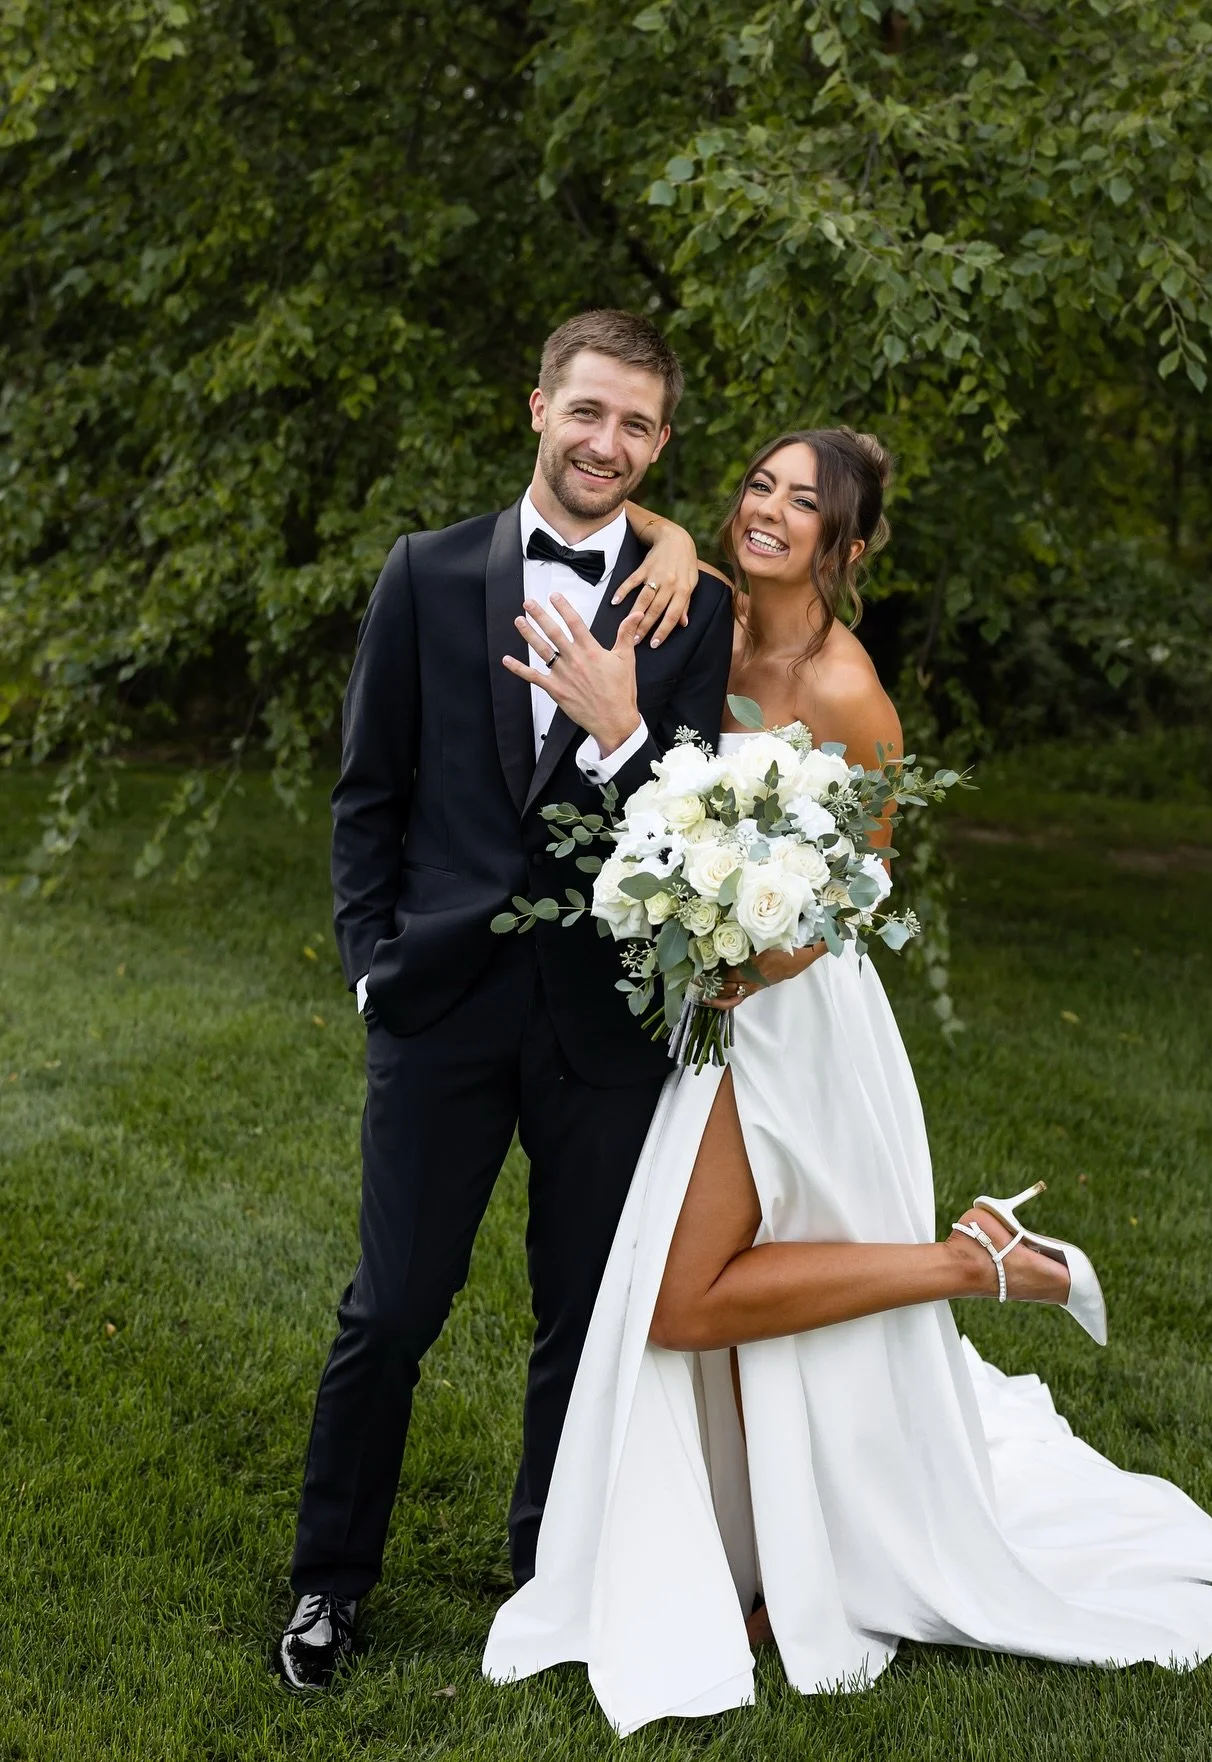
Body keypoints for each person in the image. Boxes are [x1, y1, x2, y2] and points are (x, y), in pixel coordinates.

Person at [481, 427, 1212, 1734]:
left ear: (844, 544)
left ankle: (970, 1266)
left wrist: (747, 949)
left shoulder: (850, 695)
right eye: (757, 488)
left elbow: (855, 890)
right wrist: (670, 534)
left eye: (803, 504)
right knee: (713, 1300)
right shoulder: (699, 615)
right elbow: (634, 525)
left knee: (682, 1298)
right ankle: (772, 1545)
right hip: (703, 1001)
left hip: (790, 1021)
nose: (768, 513)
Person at [276, 309, 733, 1692]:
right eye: (586, 411)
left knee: (581, 1315)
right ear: (537, 408)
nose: (607, 442)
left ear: (660, 443)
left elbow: (697, 827)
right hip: (442, 1001)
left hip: (606, 1015)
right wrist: (372, 960)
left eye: (636, 425)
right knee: (392, 1307)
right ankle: (328, 1582)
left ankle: (551, 1572)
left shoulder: (689, 606)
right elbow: (370, 792)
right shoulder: (424, 575)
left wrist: (622, 730)